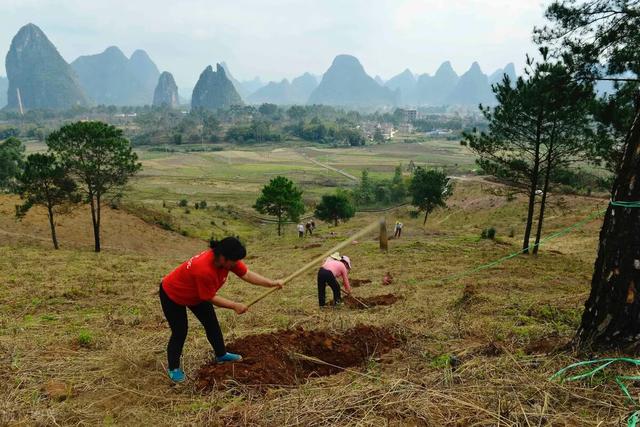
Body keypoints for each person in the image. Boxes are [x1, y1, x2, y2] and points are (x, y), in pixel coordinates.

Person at [160, 237, 283, 383]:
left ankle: (221, 354)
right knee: (180, 331)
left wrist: (271, 283)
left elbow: (247, 274)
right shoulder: (204, 269)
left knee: (211, 324)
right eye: (234, 260)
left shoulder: (228, 261)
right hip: (173, 294)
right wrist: (234, 305)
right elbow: (210, 297)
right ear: (223, 257)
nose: (237, 263)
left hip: (196, 295)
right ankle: (173, 368)